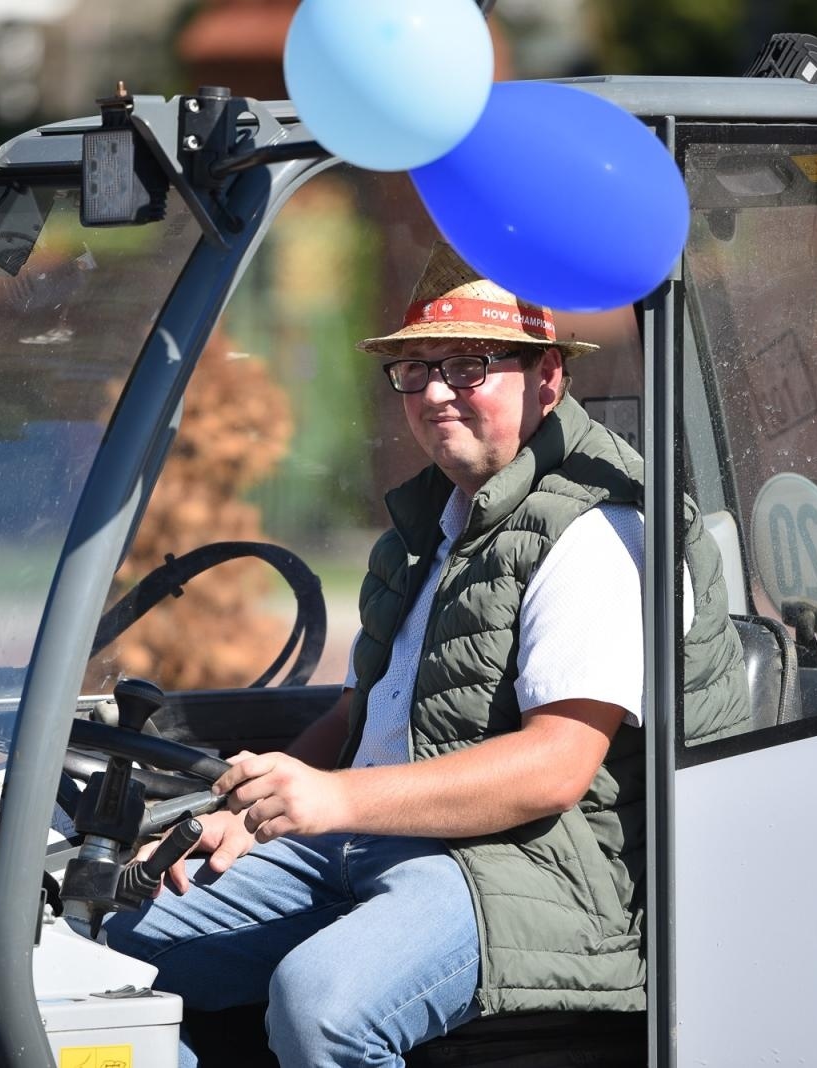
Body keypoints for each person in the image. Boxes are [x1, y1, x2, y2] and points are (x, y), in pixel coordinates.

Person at [101, 241, 750, 1066]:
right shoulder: (428, 529)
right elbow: (356, 716)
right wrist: (248, 815)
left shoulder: (598, 529)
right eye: (417, 368)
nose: (437, 391)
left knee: (323, 1006)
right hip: (372, 842)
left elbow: (554, 768)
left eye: (471, 365)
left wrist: (334, 800)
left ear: (547, 376)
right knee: (112, 952)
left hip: (531, 869)